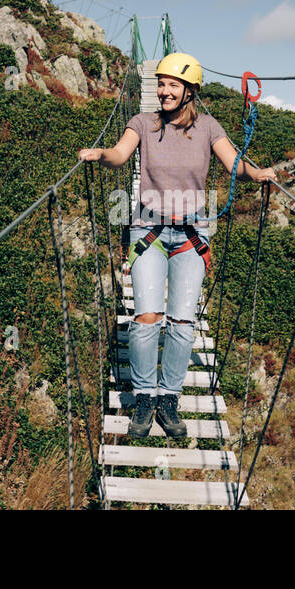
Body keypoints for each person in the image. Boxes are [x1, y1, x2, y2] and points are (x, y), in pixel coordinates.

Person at [77, 52, 277, 439]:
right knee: (147, 317)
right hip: (148, 230)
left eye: (173, 86)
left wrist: (255, 173)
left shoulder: (208, 127)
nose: (164, 92)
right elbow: (120, 155)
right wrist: (101, 154)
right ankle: (144, 396)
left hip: (191, 234)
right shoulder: (142, 123)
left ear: (190, 92)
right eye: (161, 84)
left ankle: (169, 397)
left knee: (184, 323)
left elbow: (233, 162)